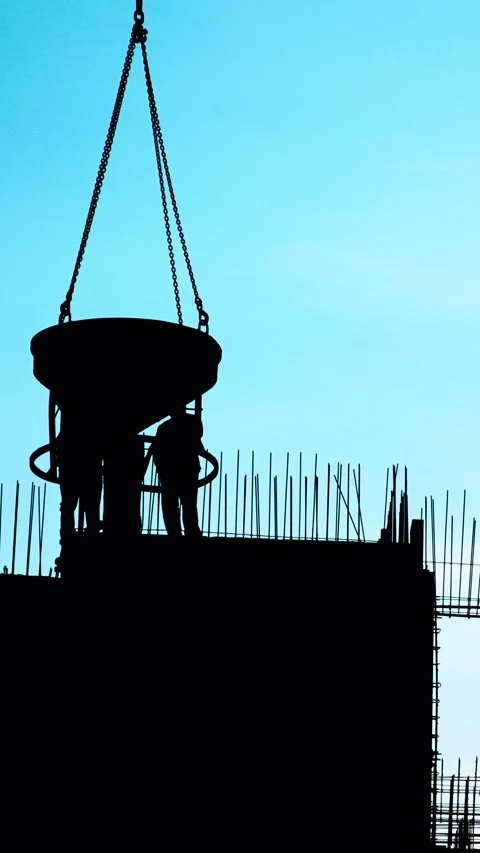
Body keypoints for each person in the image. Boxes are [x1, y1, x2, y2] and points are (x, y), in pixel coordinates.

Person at [152, 409, 205, 537]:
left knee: (174, 505)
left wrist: (161, 468)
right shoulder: (193, 422)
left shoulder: (164, 428)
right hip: (186, 470)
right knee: (188, 504)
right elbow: (198, 443)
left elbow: (157, 453)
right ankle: (190, 533)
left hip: (171, 471)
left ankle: (176, 533)